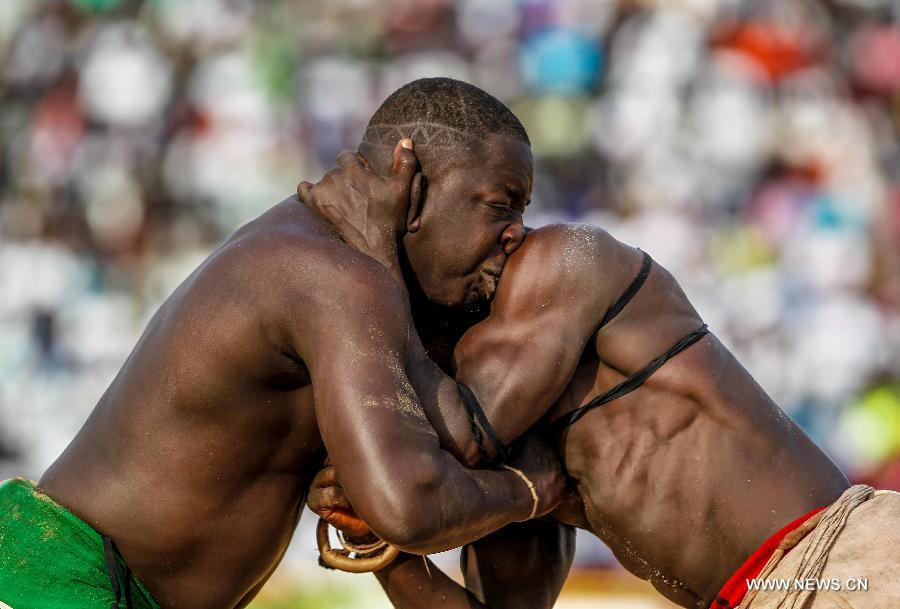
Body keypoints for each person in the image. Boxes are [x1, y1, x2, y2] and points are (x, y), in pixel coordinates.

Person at [0, 78, 566, 609]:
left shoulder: (347, 273)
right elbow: (413, 504)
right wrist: (529, 491)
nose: (517, 231)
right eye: (500, 205)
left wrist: (377, 533)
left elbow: (401, 503)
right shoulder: (332, 277)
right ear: (414, 189)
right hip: (48, 582)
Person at [304, 147, 900, 609]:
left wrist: (369, 255)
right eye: (499, 204)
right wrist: (378, 547)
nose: (516, 229)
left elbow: (429, 456)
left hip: (842, 564)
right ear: (415, 201)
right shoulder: (486, 407)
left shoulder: (565, 263)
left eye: (519, 206)